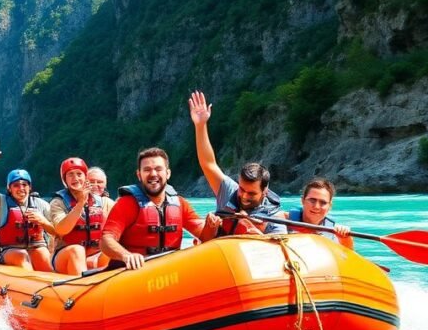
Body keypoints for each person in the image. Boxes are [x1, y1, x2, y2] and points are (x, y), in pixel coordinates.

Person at [101, 147, 220, 270]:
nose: (153, 174)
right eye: (147, 170)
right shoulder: (126, 204)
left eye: (158, 169)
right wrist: (126, 256)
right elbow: (105, 241)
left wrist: (211, 227)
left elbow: (204, 236)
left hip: (168, 272)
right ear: (139, 175)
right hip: (133, 273)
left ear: (167, 173)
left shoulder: (180, 204)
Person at [188, 91, 285, 238]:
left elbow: (278, 249)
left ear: (265, 191)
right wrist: (200, 125)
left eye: (252, 193)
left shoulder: (275, 219)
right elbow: (208, 164)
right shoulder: (229, 191)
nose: (244, 196)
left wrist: (254, 231)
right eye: (242, 189)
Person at [0, 139, 53, 271]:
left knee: (45, 258)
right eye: (16, 185)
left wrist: (43, 221)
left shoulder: (42, 204)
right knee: (22, 256)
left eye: (24, 185)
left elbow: (56, 231)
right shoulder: (0, 202)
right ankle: (30, 286)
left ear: (30, 187)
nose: (21, 188)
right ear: (9, 188)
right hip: (9, 250)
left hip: (36, 246)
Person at [48, 158, 115, 275]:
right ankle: (83, 287)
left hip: (94, 256)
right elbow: (61, 229)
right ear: (65, 180)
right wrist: (80, 204)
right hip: (66, 256)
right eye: (70, 175)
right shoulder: (58, 202)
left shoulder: (103, 202)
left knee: (113, 247)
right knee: (77, 250)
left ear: (85, 177)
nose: (75, 178)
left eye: (79, 174)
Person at [285, 178, 354, 249]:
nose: (316, 207)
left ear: (329, 206)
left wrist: (345, 239)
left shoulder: (335, 232)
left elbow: (348, 254)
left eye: (323, 202)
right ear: (302, 201)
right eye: (312, 200)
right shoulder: (283, 220)